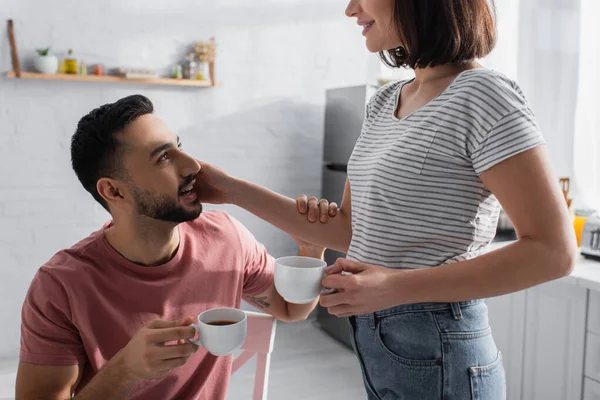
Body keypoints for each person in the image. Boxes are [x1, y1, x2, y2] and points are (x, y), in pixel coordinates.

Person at [192, 0, 578, 398]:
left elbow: (554, 251)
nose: (350, 9)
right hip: (381, 342)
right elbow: (350, 229)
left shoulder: (484, 95)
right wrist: (230, 190)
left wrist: (395, 287)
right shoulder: (384, 101)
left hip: (439, 341)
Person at [15, 95, 324, 400]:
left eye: (180, 147)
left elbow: (290, 307)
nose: (192, 165)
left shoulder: (226, 238)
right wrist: (126, 369)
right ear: (113, 190)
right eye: (163, 157)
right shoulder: (59, 286)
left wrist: (312, 250)